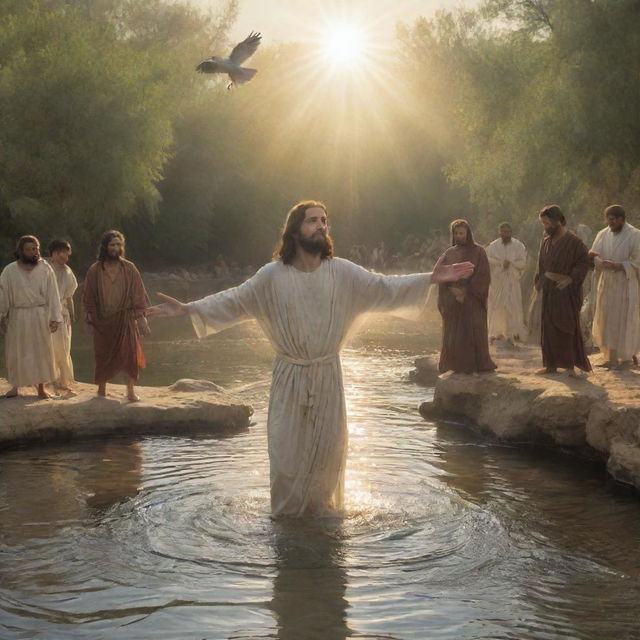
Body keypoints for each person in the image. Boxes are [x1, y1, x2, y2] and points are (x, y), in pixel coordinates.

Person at [147, 200, 474, 517]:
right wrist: (189, 309)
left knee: (328, 456)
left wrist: (432, 278)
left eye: (324, 221)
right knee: (287, 458)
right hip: (289, 376)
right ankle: (287, 529)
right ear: (294, 230)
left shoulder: (343, 273)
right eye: (313, 220)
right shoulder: (271, 276)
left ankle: (323, 529)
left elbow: (384, 287)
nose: (321, 225)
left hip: (327, 374)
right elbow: (233, 300)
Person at [82, 230, 150, 402]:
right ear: (105, 247)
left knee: (129, 356)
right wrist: (89, 320)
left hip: (125, 319)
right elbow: (88, 296)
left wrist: (142, 319)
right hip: (102, 320)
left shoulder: (129, 268)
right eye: (112, 244)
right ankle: (102, 390)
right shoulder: (95, 270)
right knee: (103, 355)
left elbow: (138, 294)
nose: (116, 248)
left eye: (119, 244)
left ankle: (130, 391)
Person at [0, 235, 62, 399]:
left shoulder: (45, 268)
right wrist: (2, 316)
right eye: (29, 249)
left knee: (41, 351)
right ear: (21, 251)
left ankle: (41, 388)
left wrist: (54, 317)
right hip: (18, 316)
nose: (33, 252)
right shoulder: (10, 270)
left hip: (39, 315)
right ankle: (15, 387)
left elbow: (53, 294)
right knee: (16, 351)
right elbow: (3, 294)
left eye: (35, 249)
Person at [535, 205, 591, 375]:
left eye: (548, 223)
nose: (546, 227)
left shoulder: (575, 242)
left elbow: (583, 263)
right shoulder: (546, 241)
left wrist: (570, 279)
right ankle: (551, 365)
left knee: (566, 327)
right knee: (549, 327)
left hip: (566, 292)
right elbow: (542, 265)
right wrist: (539, 283)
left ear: (558, 221)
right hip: (550, 290)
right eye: (543, 224)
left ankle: (569, 366)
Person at [436, 219, 496, 375]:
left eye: (461, 233)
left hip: (472, 300)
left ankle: (476, 365)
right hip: (453, 300)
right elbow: (440, 274)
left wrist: (466, 291)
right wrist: (452, 291)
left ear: (468, 233)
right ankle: (454, 365)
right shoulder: (449, 253)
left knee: (472, 332)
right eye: (455, 233)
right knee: (455, 335)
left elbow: (483, 276)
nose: (458, 236)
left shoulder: (478, 251)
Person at [589, 205, 640, 369]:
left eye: (613, 220)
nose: (610, 223)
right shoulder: (603, 234)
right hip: (607, 282)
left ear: (621, 219)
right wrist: (599, 261)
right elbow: (594, 253)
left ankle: (625, 358)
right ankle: (610, 357)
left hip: (624, 283)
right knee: (607, 318)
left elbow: (637, 261)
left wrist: (617, 265)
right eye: (608, 219)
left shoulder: (635, 235)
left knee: (623, 318)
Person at [486, 222, 527, 344]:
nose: (506, 234)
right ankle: (496, 333)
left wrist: (511, 263)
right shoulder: (493, 246)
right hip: (498, 281)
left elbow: (523, 262)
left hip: (512, 282)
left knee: (513, 306)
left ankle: (513, 333)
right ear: (500, 232)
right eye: (504, 232)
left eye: (508, 232)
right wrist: (500, 263)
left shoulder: (519, 245)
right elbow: (488, 259)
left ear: (511, 232)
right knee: (497, 307)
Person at [47, 239, 78, 391]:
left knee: (63, 345)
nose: (62, 256)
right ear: (52, 254)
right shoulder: (44, 270)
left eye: (65, 253)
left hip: (62, 312)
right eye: (58, 252)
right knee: (48, 346)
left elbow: (69, 296)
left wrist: (72, 314)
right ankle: (48, 378)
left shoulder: (68, 272)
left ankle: (63, 379)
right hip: (46, 312)